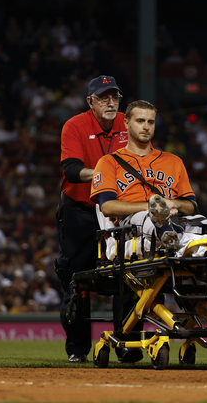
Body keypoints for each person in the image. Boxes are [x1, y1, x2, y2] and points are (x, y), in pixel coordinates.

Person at [90, 100, 207, 262]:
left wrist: (173, 204)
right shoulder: (109, 162)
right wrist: (153, 207)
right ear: (126, 123)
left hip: (173, 218)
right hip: (133, 222)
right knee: (148, 219)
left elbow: (192, 206)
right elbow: (107, 207)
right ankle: (163, 229)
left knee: (198, 222)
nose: (146, 127)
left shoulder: (173, 161)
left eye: (150, 122)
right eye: (140, 121)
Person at [55, 75, 131, 364]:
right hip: (80, 210)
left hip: (120, 210)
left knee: (129, 275)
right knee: (76, 278)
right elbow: (72, 170)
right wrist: (104, 172)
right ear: (91, 102)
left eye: (114, 96)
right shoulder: (74, 125)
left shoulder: (128, 122)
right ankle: (77, 347)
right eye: (103, 97)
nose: (111, 102)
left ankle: (128, 345)